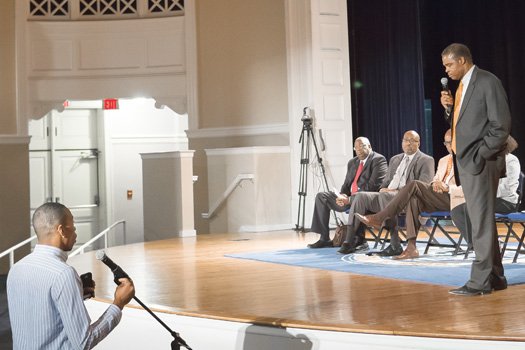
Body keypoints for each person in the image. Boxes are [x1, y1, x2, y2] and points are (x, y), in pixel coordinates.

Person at [7, 202, 135, 349]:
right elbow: (84, 342)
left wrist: (74, 295)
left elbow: (38, 311)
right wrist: (118, 304)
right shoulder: (63, 274)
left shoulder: (16, 269)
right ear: (61, 230)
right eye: (73, 227)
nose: (75, 233)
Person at [440, 43, 511, 296]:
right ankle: (496, 277)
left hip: (481, 161)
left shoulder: (487, 81)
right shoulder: (462, 87)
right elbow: (466, 125)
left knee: (479, 221)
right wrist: (449, 109)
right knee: (481, 221)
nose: (446, 70)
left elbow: (500, 125)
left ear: (462, 61)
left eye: (449, 65)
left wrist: (482, 154)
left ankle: (479, 283)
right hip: (466, 162)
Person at [355, 129, 456, 259]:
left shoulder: (465, 160)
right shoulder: (443, 160)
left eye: (451, 142)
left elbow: (467, 187)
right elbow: (434, 179)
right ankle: (411, 248)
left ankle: (380, 218)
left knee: (414, 184)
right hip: (436, 196)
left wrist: (447, 187)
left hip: (452, 198)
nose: (448, 145)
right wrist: (436, 184)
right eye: (446, 143)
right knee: (413, 200)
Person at [338, 130, 435, 254]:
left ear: (419, 143)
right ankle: (349, 241)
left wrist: (393, 191)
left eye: (412, 141)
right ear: (402, 142)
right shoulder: (395, 159)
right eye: (406, 140)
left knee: (385, 195)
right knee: (360, 196)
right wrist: (383, 189)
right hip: (387, 196)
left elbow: (423, 186)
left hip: (409, 199)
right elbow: (386, 181)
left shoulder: (426, 160)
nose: (408, 144)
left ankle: (395, 244)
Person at [307, 137, 388, 248]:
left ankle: (359, 239)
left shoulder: (378, 160)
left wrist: (350, 199)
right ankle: (324, 238)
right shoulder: (353, 162)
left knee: (359, 198)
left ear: (369, 146)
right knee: (322, 197)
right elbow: (346, 184)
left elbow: (373, 186)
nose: (359, 149)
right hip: (349, 199)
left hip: (367, 200)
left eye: (362, 146)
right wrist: (342, 195)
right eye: (356, 147)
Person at [451, 136, 521, 242]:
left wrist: (485, 192)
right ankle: (475, 245)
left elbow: (508, 188)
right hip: (488, 199)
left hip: (506, 201)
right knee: (457, 210)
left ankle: (486, 244)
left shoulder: (511, 160)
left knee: (472, 209)